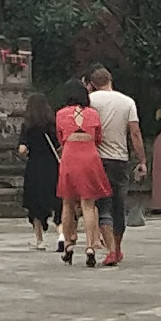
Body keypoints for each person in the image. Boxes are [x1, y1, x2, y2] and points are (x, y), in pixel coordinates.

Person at [85, 64, 141, 266]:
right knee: (119, 205)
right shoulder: (127, 102)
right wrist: (141, 159)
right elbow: (134, 132)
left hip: (96, 158)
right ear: (111, 80)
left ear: (92, 84)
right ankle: (117, 248)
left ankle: (108, 248)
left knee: (102, 205)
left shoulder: (89, 102)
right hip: (120, 159)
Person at [52, 90, 111, 262]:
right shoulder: (93, 114)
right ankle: (91, 246)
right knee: (89, 204)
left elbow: (61, 138)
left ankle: (69, 244)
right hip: (89, 155)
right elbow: (98, 137)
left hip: (70, 155)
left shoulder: (61, 114)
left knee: (67, 202)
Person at [19, 94, 62, 249]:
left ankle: (40, 240)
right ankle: (61, 234)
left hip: (35, 166)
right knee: (57, 201)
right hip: (52, 165)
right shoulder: (52, 124)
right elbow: (59, 145)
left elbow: (22, 148)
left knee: (35, 203)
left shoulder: (28, 126)